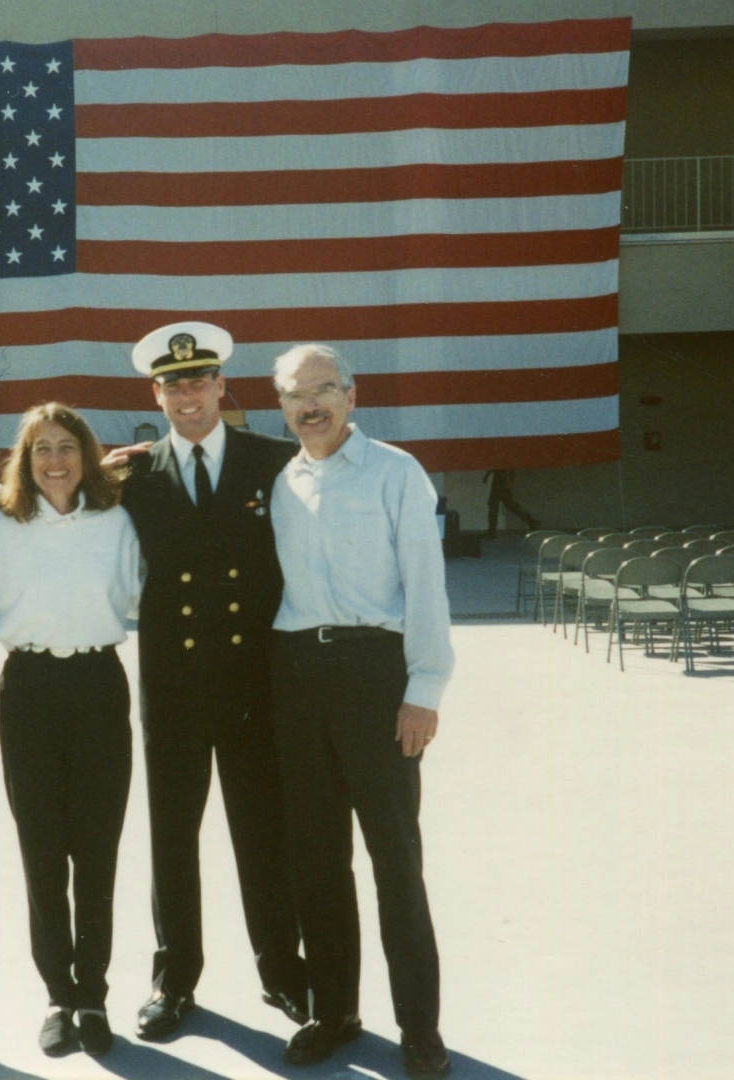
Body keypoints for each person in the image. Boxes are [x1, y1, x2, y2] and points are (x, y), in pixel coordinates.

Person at [109, 321, 309, 1039]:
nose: (186, 395)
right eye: (172, 384)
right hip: (174, 682)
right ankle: (174, 981)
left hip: (254, 681)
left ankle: (283, 971)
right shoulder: (131, 474)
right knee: (172, 838)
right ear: (154, 394)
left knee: (264, 831)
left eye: (198, 380)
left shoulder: (276, 462)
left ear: (223, 386)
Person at [267, 344, 455, 1079]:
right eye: (293, 394)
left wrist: (424, 689)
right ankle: (334, 1011)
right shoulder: (281, 481)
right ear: (279, 405)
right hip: (296, 676)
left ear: (351, 395)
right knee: (314, 857)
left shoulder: (395, 472)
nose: (308, 405)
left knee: (394, 859)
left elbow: (426, 585)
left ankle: (420, 1027)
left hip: (375, 677)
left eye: (322, 390)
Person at [0, 403, 141, 1059]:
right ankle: (57, 994)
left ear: (85, 455)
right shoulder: (1, 523)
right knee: (43, 854)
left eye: (67, 447)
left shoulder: (115, 521)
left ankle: (93, 996)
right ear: (25, 460)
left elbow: (136, 593)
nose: (55, 460)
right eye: (41, 448)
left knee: (97, 853)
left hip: (97, 686)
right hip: (28, 690)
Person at [481, 469, 538, 535]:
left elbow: (497, 464)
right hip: (503, 476)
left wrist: (487, 475)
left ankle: (492, 530)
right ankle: (531, 521)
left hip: (501, 476)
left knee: (495, 503)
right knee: (508, 503)